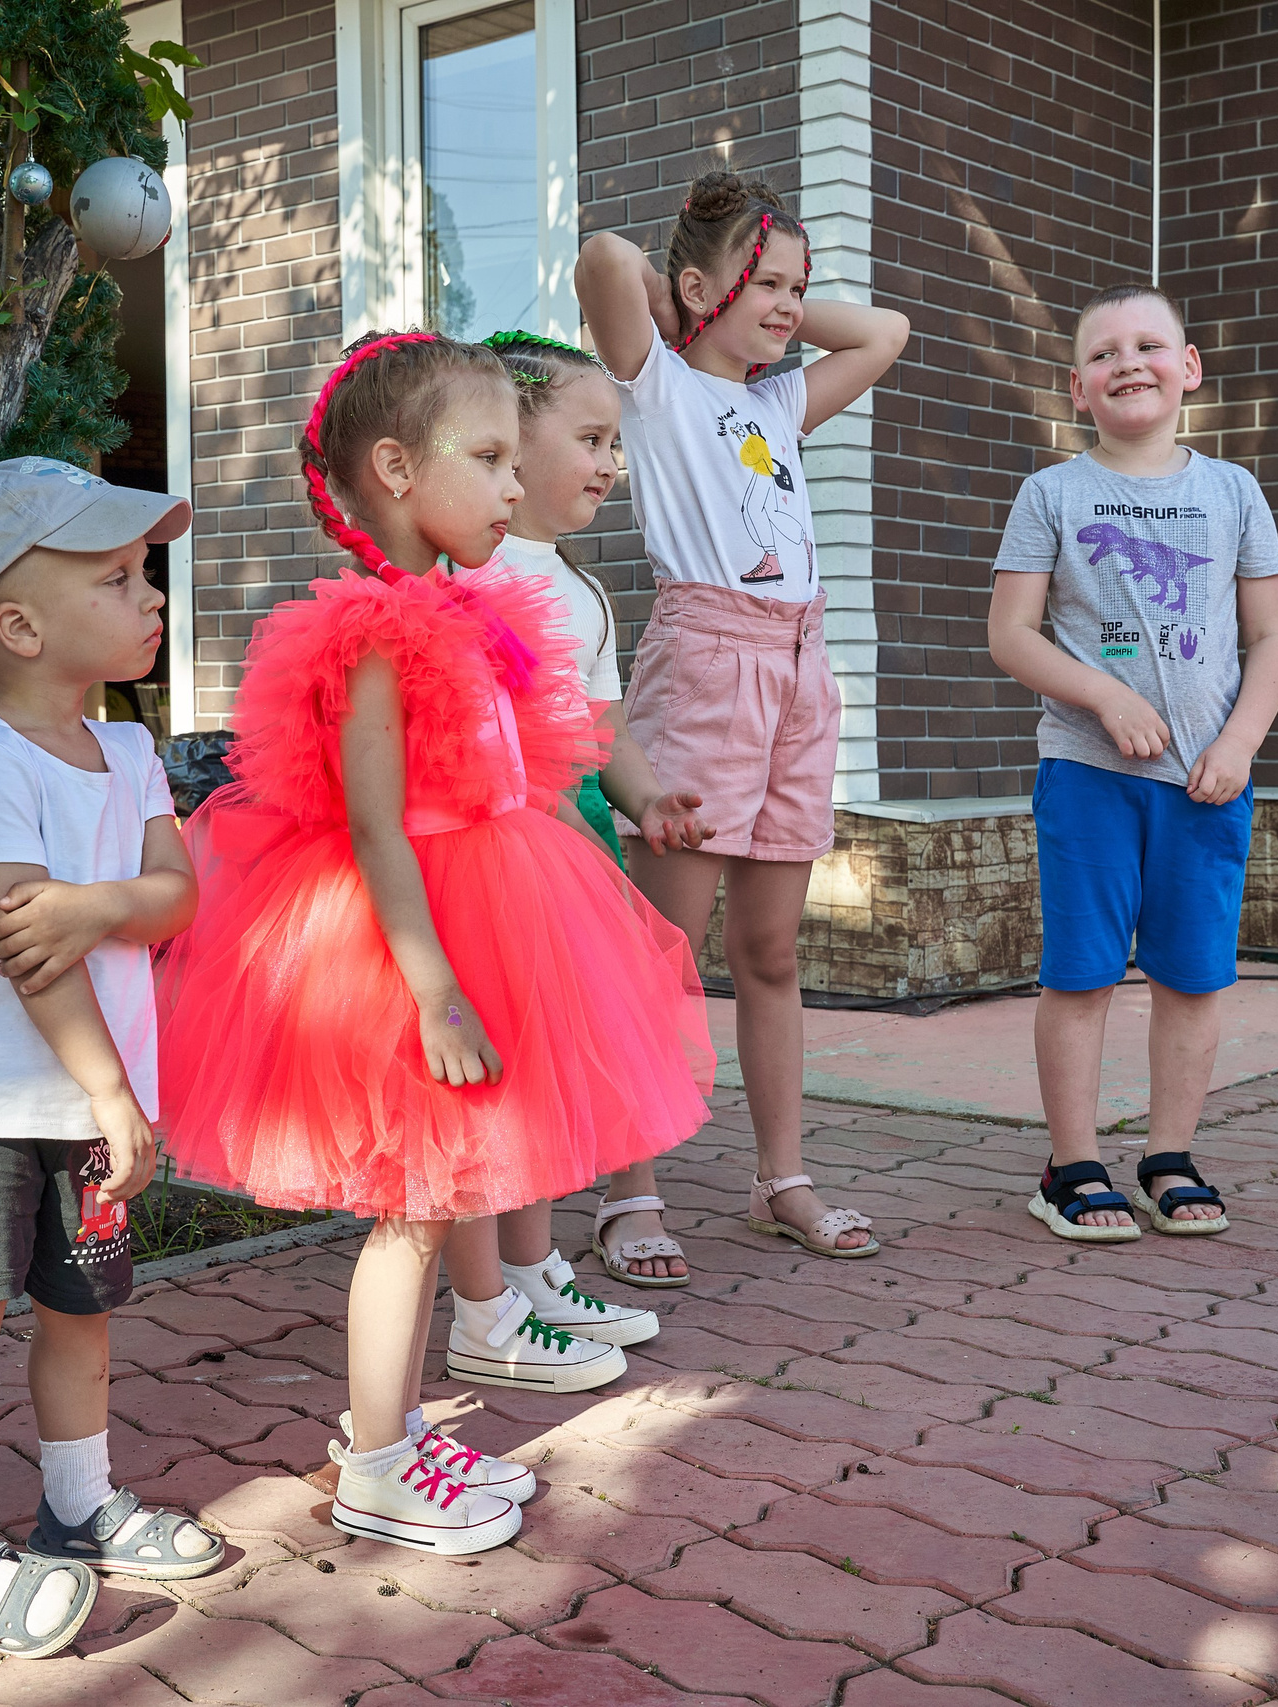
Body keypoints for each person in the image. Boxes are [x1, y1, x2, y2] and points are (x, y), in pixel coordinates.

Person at [154, 332, 714, 1554]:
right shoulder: (369, 635)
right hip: (408, 946)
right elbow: (374, 829)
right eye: (490, 458)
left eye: (518, 460)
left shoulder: (460, 612)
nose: (515, 486)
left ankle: (399, 1426)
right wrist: (435, 992)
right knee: (408, 1208)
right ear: (398, 470)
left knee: (438, 1193)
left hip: (491, 904)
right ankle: (377, 1462)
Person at [0, 457, 221, 1659]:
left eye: (146, 573)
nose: (152, 596)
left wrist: (100, 905)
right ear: (21, 627)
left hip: (93, 1103)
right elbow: (31, 952)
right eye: (119, 578)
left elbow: (177, 896)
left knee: (82, 1310)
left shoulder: (127, 749)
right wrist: (111, 1091)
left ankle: (78, 1505)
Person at [576, 170, 910, 1278]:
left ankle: (781, 1178)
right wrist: (695, 303)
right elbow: (603, 258)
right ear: (694, 288)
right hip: (709, 665)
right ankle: (629, 1188)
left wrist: (769, 309)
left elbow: (886, 333)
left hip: (800, 671)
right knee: (660, 954)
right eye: (766, 282)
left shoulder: (779, 403)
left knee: (771, 950)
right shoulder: (657, 384)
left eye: (798, 287)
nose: (788, 304)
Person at [419, 329, 717, 1348]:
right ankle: (499, 1284)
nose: (610, 464)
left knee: (550, 1066)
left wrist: (649, 801)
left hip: (571, 851)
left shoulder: (584, 592)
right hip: (491, 853)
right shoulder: (466, 569)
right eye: (590, 439)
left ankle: (532, 1265)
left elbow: (602, 733)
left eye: (614, 444)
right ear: (511, 436)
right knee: (503, 1065)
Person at [984, 285, 1278, 1242]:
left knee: (1193, 977)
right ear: (1078, 387)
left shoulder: (1233, 492)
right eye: (1104, 353)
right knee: (1081, 974)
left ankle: (1170, 1155)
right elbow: (1010, 633)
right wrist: (1104, 696)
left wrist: (1240, 742)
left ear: (1188, 367)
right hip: (1090, 777)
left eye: (1149, 345)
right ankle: (1071, 1164)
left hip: (1207, 782)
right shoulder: (1052, 494)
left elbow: (1272, 635)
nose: (1128, 362)